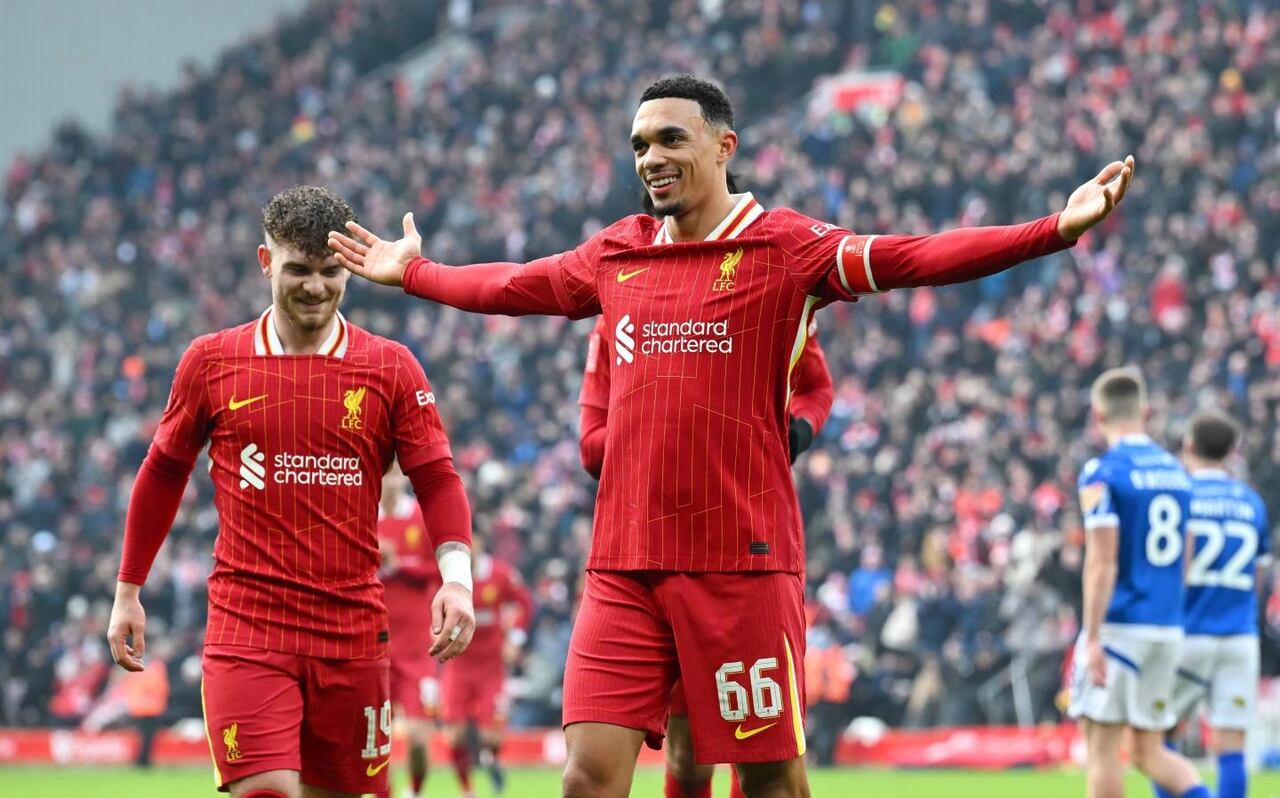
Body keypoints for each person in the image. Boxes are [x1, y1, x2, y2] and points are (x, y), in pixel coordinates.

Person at [329, 74, 1133, 798]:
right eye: (640, 144)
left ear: (724, 145)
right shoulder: (617, 253)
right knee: (586, 776)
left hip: (741, 564)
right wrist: (415, 274)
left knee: (769, 781)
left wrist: (1054, 228)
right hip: (624, 564)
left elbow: (914, 257)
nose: (651, 157)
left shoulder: (784, 247)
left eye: (670, 139)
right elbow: (510, 284)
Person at [107, 186, 477, 798]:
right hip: (247, 629)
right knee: (268, 790)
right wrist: (128, 591)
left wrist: (457, 579)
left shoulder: (389, 368)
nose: (315, 287)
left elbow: (436, 478)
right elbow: (162, 472)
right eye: (297, 270)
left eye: (330, 272)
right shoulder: (211, 362)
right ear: (265, 262)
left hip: (352, 633)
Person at [578, 313, 833, 798]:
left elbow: (817, 390)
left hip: (746, 549)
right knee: (687, 754)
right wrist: (669, 430)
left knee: (758, 757)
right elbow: (591, 447)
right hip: (654, 554)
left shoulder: (767, 295)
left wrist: (795, 434)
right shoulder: (619, 312)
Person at [1067, 367, 1209, 798]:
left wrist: (1092, 636)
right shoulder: (1178, 472)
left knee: (1103, 750)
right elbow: (1187, 549)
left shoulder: (1102, 472)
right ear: (1145, 412)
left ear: (1097, 416)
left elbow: (1102, 560)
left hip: (1120, 627)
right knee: (1150, 753)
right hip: (1165, 625)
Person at [1154, 410, 1269, 798]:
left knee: (1157, 739)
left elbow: (1175, 568)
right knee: (1231, 745)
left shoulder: (1181, 495)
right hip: (1239, 634)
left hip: (1189, 631)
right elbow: (1258, 575)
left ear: (1188, 446)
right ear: (1232, 451)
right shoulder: (1252, 503)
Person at [440, 533, 533, 798]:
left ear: (479, 544)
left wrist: (515, 639)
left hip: (491, 668)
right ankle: (468, 791)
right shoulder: (449, 579)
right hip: (458, 665)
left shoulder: (500, 575)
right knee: (455, 736)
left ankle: (492, 761)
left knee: (489, 738)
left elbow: (525, 603)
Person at [378, 463, 444, 798]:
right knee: (373, 741)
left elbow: (438, 568)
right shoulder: (361, 516)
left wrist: (397, 564)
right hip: (373, 646)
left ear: (402, 478)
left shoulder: (419, 517)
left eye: (393, 475)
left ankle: (415, 791)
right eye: (383, 475)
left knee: (418, 738)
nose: (388, 483)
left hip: (416, 649)